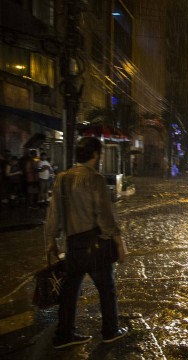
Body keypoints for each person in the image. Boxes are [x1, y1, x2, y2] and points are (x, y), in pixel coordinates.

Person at [45, 137, 128, 349]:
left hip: (73, 244)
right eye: (98, 154)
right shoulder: (95, 179)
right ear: (95, 155)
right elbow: (104, 216)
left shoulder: (62, 179)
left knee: (69, 291)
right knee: (106, 288)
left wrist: (50, 241)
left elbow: (53, 214)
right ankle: (110, 330)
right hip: (95, 244)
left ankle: (64, 335)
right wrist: (119, 242)